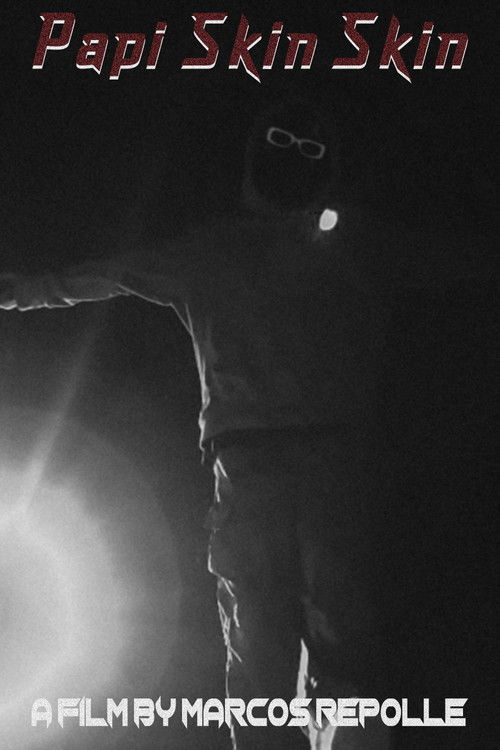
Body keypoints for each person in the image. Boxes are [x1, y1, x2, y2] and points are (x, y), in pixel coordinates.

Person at [0, 99, 406, 749]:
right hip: (327, 462)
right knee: (340, 646)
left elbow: (101, 276)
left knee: (262, 653)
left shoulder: (214, 253)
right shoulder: (343, 249)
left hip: (255, 468)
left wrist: (21, 291)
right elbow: (451, 258)